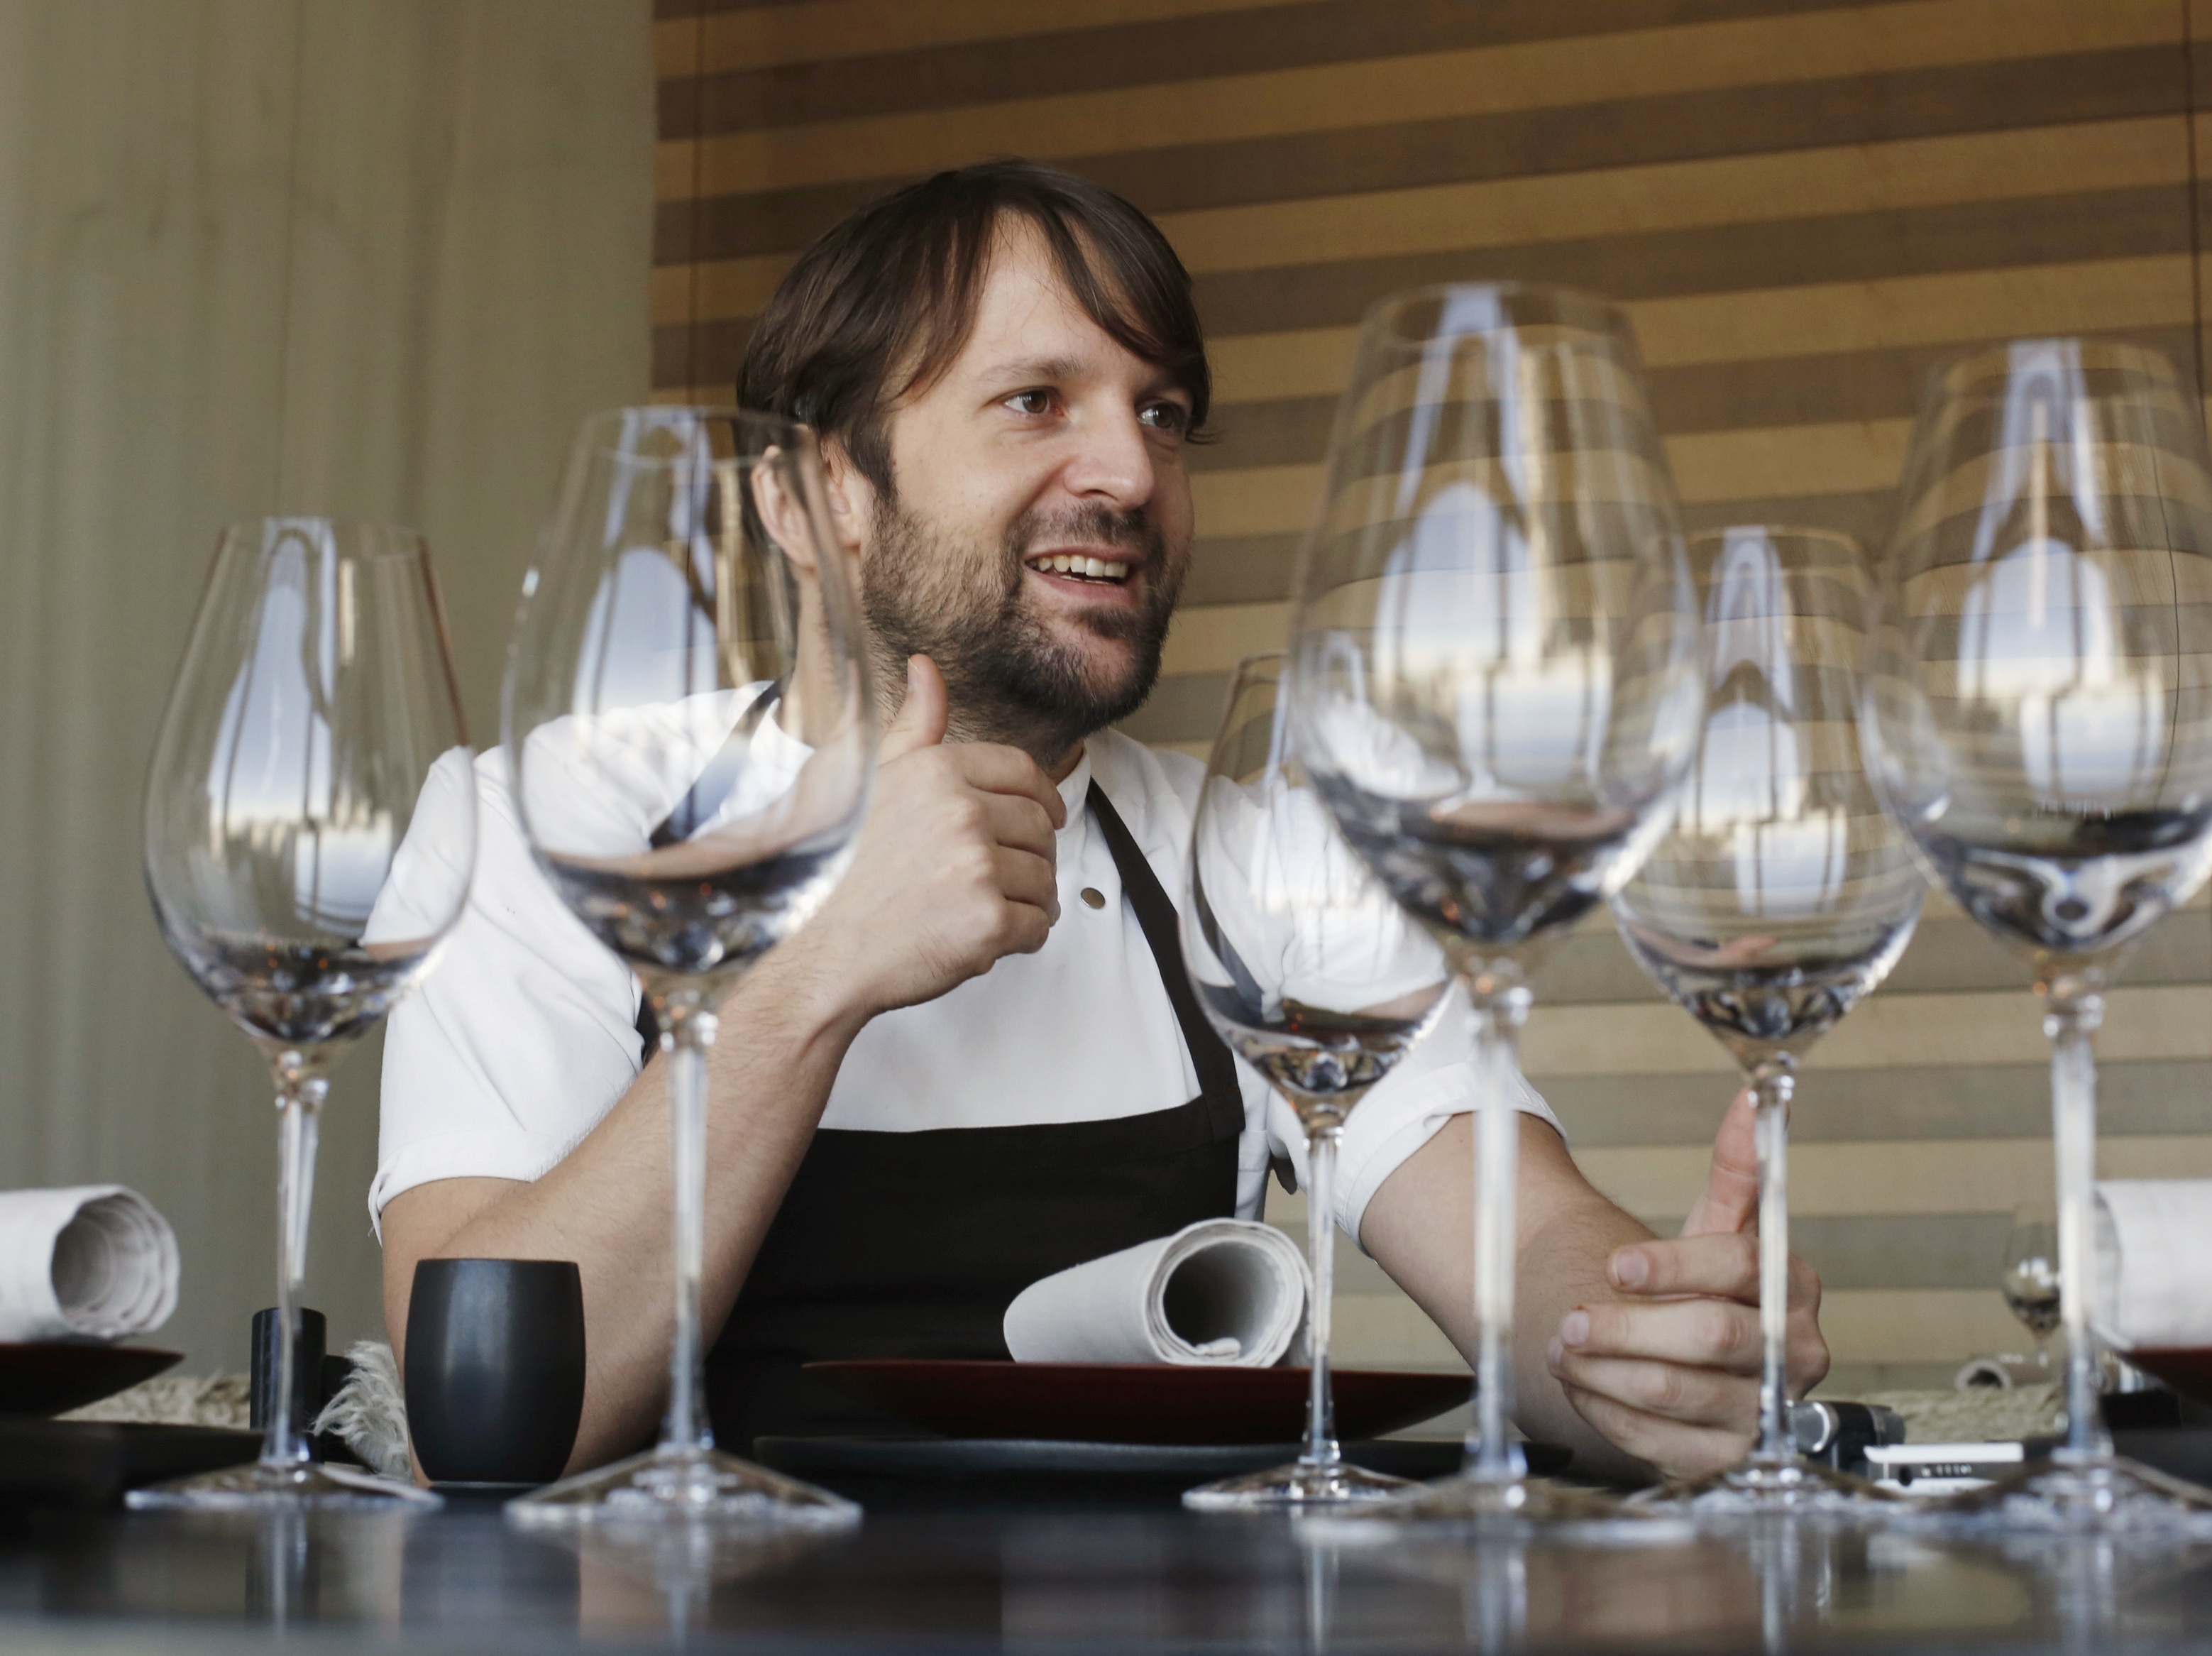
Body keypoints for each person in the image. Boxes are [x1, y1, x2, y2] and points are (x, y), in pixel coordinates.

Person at [373, 160, 1827, 1482]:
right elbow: (482, 1419)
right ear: (818, 489)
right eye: (1036, 401)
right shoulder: (540, 824)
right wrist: (809, 977)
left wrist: (1647, 1343)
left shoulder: (1266, 860)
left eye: (1162, 414)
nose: (1130, 475)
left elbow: (1527, 1256)